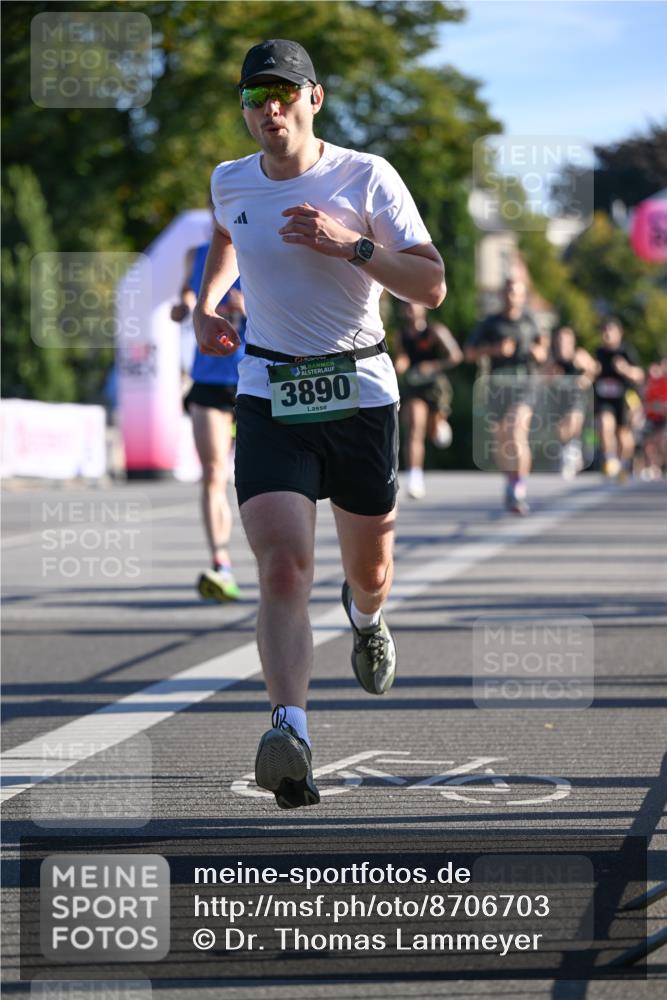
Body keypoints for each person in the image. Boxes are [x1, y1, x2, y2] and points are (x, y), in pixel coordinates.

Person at [193, 39, 446, 809]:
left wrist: (354, 245)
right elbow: (230, 233)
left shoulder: (365, 176)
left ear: (314, 98)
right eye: (253, 94)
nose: (267, 106)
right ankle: (290, 729)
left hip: (360, 392)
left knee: (367, 571)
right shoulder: (228, 179)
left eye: (282, 92)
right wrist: (208, 306)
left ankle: (366, 618)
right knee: (281, 566)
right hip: (270, 391)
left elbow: (430, 285)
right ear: (243, 106)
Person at [171, 241, 246, 601]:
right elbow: (189, 292)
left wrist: (248, 307)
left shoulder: (266, 235)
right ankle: (222, 565)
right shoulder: (197, 253)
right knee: (214, 473)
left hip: (257, 378)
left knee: (267, 478)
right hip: (210, 380)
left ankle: (282, 568)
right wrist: (185, 307)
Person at [464, 277, 549, 514]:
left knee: (516, 431)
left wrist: (536, 351)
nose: (512, 295)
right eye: (508, 291)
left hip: (525, 385)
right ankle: (511, 480)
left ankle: (518, 489)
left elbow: (544, 351)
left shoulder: (531, 321)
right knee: (502, 442)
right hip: (498, 388)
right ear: (503, 295)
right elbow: (468, 353)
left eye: (517, 291)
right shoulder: (490, 323)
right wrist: (493, 350)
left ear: (523, 296)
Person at [394, 302, 462, 499]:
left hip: (435, 388)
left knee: (435, 434)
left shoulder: (436, 331)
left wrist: (432, 366)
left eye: (413, 304)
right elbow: (402, 357)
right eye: (405, 305)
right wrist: (400, 364)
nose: (409, 308)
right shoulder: (402, 335)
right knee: (414, 427)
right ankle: (415, 478)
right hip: (414, 387)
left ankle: (439, 423)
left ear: (422, 308)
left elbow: (455, 356)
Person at [593, 318, 644, 478]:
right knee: (604, 423)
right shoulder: (599, 353)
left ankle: (624, 464)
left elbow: (640, 375)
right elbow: (591, 372)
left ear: (619, 333)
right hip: (604, 399)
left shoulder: (626, 352)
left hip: (624, 399)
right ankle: (610, 460)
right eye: (604, 330)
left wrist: (625, 369)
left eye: (611, 330)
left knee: (623, 434)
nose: (607, 333)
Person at [545, 326, 598, 480]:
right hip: (558, 400)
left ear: (572, 342)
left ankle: (571, 454)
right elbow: (543, 380)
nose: (563, 344)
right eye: (560, 340)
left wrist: (586, 376)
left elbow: (595, 369)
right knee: (562, 431)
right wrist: (552, 376)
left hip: (577, 398)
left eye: (566, 340)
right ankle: (570, 452)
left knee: (573, 420)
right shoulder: (553, 360)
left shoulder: (579, 355)